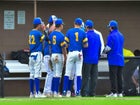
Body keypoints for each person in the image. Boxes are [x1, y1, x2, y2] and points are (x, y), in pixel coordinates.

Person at [62, 18, 88, 96]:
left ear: (74, 23)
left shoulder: (69, 31)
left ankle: (64, 91)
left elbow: (65, 44)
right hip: (79, 53)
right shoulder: (83, 32)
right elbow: (86, 45)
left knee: (67, 73)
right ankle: (78, 91)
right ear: (81, 24)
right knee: (78, 73)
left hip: (71, 52)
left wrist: (70, 44)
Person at [104, 20, 125, 97]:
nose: (109, 28)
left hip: (113, 58)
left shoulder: (111, 35)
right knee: (119, 76)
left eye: (109, 27)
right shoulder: (121, 35)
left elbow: (108, 48)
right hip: (120, 58)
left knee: (113, 76)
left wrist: (103, 51)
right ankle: (120, 92)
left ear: (112, 27)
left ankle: (114, 92)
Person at [81, 20, 101, 97]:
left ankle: (84, 93)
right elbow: (99, 48)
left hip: (87, 59)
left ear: (86, 27)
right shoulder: (98, 35)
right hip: (95, 59)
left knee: (86, 77)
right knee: (94, 77)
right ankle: (92, 93)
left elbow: (84, 47)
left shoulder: (85, 35)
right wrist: (98, 57)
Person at [28, 17, 46, 98]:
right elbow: (46, 38)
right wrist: (44, 29)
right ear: (38, 25)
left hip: (31, 55)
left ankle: (31, 93)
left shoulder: (30, 32)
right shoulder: (38, 33)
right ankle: (38, 93)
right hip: (37, 54)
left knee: (31, 74)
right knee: (37, 74)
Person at [49, 18, 67, 97]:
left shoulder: (51, 34)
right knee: (58, 74)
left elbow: (49, 46)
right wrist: (65, 56)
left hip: (52, 54)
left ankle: (53, 91)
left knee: (54, 74)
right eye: (62, 24)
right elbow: (63, 47)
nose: (63, 26)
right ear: (60, 25)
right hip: (59, 54)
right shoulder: (61, 35)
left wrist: (50, 56)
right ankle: (56, 92)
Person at [43, 15, 57, 97]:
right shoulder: (48, 31)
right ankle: (46, 91)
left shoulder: (48, 30)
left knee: (52, 73)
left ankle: (49, 90)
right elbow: (49, 31)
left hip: (50, 54)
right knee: (50, 73)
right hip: (48, 54)